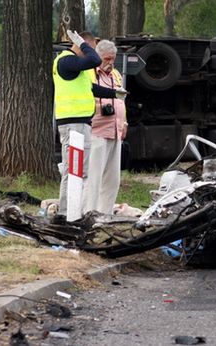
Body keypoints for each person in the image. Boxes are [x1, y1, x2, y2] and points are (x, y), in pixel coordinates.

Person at [53, 30, 126, 217]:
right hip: (73, 124)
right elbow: (94, 60)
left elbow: (90, 88)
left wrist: (114, 94)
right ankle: (67, 214)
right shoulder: (66, 61)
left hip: (81, 123)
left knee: (79, 172)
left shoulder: (77, 67)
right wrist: (84, 44)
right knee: (75, 173)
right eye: (90, 49)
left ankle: (74, 214)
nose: (91, 53)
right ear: (80, 45)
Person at [83, 40, 127, 214]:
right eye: (107, 59)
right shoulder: (89, 73)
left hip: (116, 130)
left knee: (112, 178)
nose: (110, 63)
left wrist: (124, 122)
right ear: (98, 56)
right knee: (94, 176)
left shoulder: (116, 74)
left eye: (113, 59)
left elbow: (121, 100)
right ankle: (89, 213)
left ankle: (105, 213)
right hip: (97, 129)